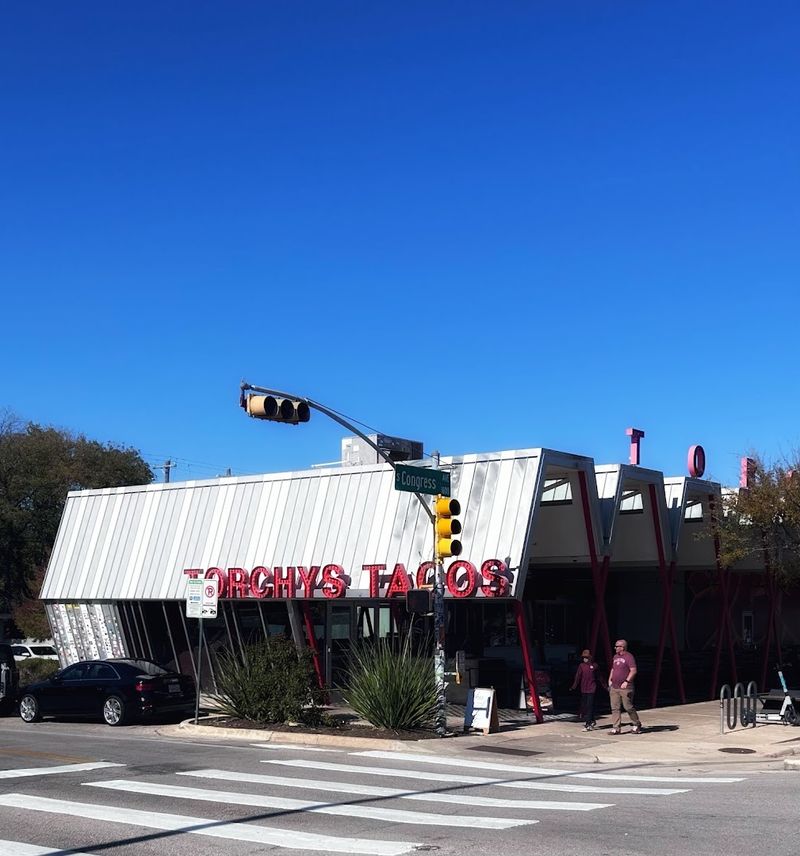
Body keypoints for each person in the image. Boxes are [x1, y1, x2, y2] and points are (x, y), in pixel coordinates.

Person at [608, 639, 642, 734]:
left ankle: (636, 723)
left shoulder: (629, 657)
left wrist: (627, 681)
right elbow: (613, 669)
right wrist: (610, 679)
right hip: (614, 687)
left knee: (628, 707)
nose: (615, 648)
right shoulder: (615, 657)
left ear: (622, 647)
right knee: (615, 708)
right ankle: (616, 728)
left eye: (616, 646)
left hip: (625, 687)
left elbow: (633, 670)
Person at [570, 648, 601, 731]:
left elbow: (599, 677)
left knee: (589, 706)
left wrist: (605, 686)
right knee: (586, 706)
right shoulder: (581, 666)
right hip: (584, 688)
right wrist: (574, 686)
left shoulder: (595, 666)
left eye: (586, 657)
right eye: (583, 657)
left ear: (590, 657)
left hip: (592, 688)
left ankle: (588, 724)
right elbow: (578, 676)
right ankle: (593, 720)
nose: (584, 659)